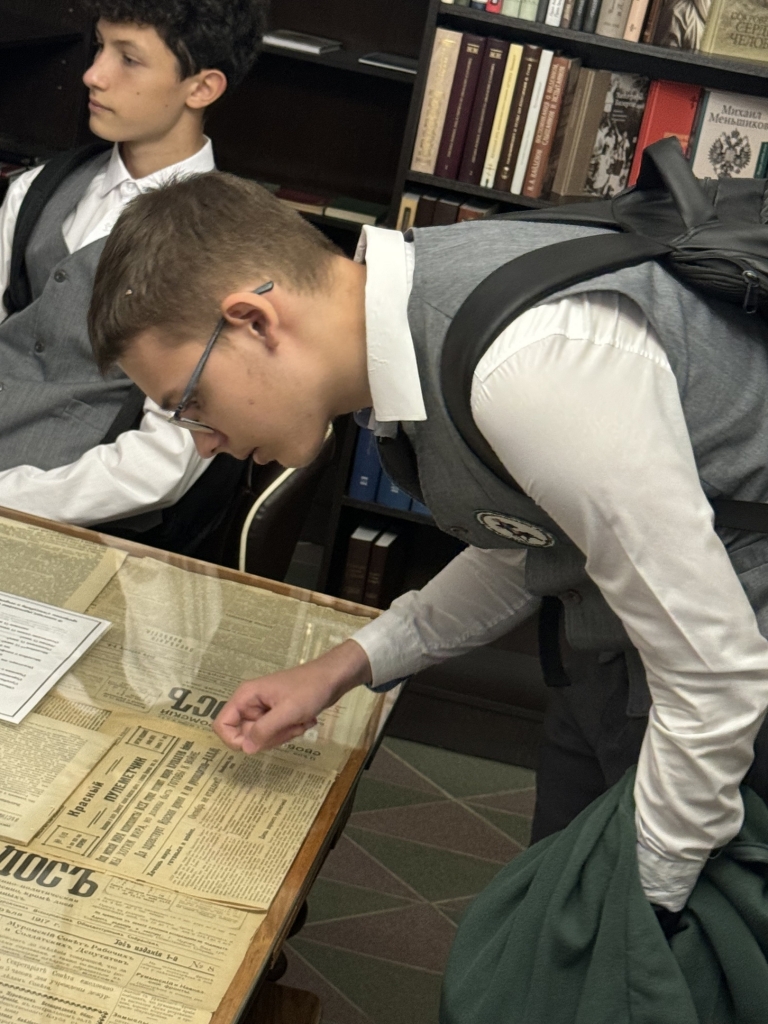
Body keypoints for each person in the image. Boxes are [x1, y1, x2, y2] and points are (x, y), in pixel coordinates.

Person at [87, 171, 768, 919]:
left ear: (254, 320)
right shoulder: (415, 304)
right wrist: (343, 667)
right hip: (619, 658)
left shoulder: (526, 367)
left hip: (721, 689)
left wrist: (641, 921)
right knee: (548, 922)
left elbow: (716, 677)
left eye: (191, 403)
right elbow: (530, 539)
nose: (203, 442)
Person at [0, 0, 266, 529]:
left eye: (128, 58)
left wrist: (14, 497)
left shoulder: (228, 245)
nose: (92, 75)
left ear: (201, 88)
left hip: (73, 520)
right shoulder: (37, 188)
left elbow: (163, 464)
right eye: (100, 46)